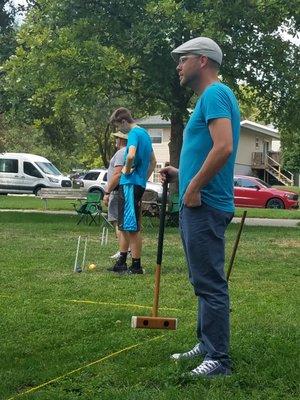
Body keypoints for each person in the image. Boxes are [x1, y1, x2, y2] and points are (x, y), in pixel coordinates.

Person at [160, 37, 240, 377]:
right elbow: (209, 150)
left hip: (205, 204)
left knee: (209, 282)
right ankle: (207, 345)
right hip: (199, 200)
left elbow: (223, 147)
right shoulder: (209, 99)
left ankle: (218, 360)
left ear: (203, 61)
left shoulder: (216, 94)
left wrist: (193, 187)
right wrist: (181, 175)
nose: (178, 65)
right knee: (202, 280)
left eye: (183, 59)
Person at [108, 107, 156, 274]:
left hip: (129, 184)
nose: (118, 130)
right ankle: (121, 262)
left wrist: (127, 171)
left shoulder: (134, 134)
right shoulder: (145, 134)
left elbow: (130, 155)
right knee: (124, 226)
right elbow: (153, 161)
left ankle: (136, 266)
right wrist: (143, 179)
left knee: (132, 227)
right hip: (137, 184)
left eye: (117, 126)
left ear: (123, 121)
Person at [103, 131, 129, 259]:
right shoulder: (128, 152)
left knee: (117, 222)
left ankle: (123, 251)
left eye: (117, 138)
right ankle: (126, 250)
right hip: (122, 191)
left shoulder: (121, 153)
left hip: (116, 191)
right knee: (121, 222)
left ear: (120, 140)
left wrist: (107, 192)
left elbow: (117, 174)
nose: (115, 141)